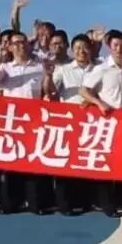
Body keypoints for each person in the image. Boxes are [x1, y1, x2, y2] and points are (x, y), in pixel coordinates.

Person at [0, 30, 50, 214]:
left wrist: (48, 75)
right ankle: (12, 202)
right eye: (16, 43)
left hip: (34, 120)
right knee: (12, 163)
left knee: (33, 162)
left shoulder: (39, 67)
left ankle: (35, 203)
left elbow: (46, 90)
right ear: (10, 47)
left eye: (23, 42)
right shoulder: (6, 68)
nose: (20, 46)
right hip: (11, 121)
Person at [79, 30, 122, 217]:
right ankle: (107, 204)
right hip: (109, 121)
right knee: (107, 163)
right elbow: (83, 90)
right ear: (109, 47)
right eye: (115, 45)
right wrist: (98, 103)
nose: (119, 49)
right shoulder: (102, 69)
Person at [48, 33, 96, 215]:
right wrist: (48, 76)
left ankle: (85, 201)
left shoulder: (99, 68)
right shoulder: (63, 69)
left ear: (91, 49)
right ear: (72, 50)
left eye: (85, 48)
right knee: (66, 163)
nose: (81, 51)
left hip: (92, 123)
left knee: (86, 162)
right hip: (69, 122)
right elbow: (51, 91)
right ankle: (64, 204)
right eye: (77, 48)